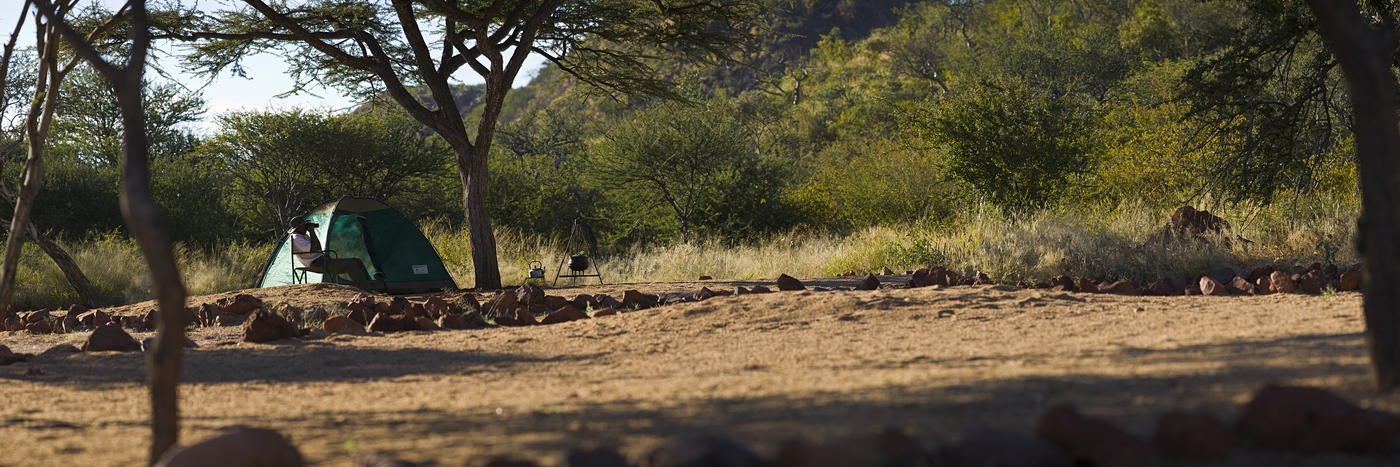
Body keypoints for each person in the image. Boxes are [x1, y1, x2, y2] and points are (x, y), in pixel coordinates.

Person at [288, 216, 376, 292]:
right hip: (317, 263)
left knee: (357, 261)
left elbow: (318, 248)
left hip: (322, 259)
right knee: (351, 264)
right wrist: (311, 231)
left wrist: (312, 232)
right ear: (298, 227)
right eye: (304, 225)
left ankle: (372, 289)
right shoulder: (296, 237)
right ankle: (367, 291)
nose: (306, 228)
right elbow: (314, 249)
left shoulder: (304, 236)